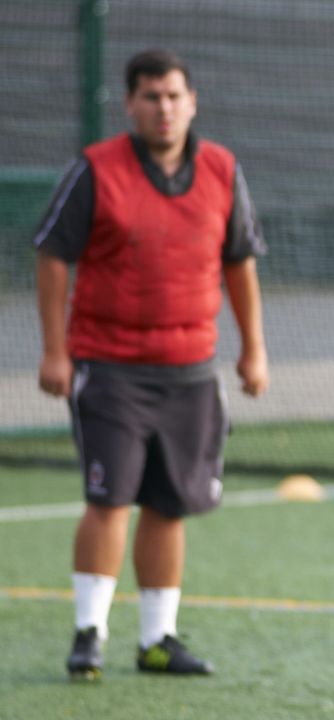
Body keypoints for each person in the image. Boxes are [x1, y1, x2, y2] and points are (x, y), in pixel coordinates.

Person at [34, 48, 269, 680]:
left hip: (191, 369)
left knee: (170, 504)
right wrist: (55, 349)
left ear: (192, 102)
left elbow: (239, 260)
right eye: (149, 96)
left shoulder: (221, 169)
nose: (163, 108)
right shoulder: (95, 170)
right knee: (109, 498)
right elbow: (53, 256)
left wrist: (253, 347)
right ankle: (89, 633)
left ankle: (157, 639)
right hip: (109, 369)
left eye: (173, 96)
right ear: (130, 104)